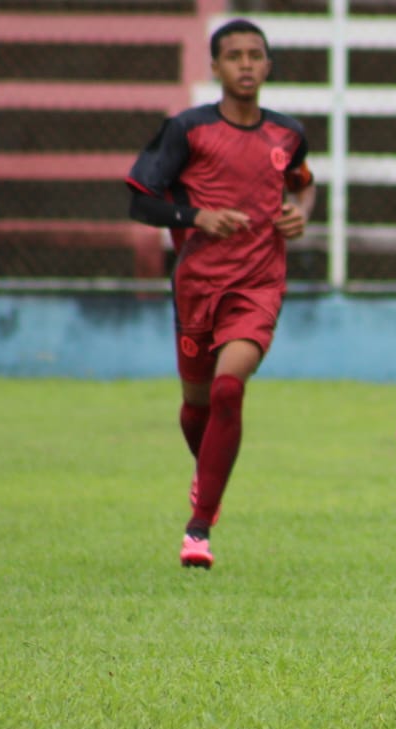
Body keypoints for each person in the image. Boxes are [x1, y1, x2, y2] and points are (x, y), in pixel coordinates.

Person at [126, 18, 316, 569]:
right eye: (234, 56)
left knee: (229, 389)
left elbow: (304, 182)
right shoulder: (186, 131)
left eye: (255, 55)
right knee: (195, 410)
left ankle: (198, 528)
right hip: (197, 288)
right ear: (215, 67)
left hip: (258, 286)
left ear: (268, 64)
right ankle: (210, 474)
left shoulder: (288, 134)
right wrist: (196, 216)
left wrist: (298, 215)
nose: (246, 65)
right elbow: (141, 198)